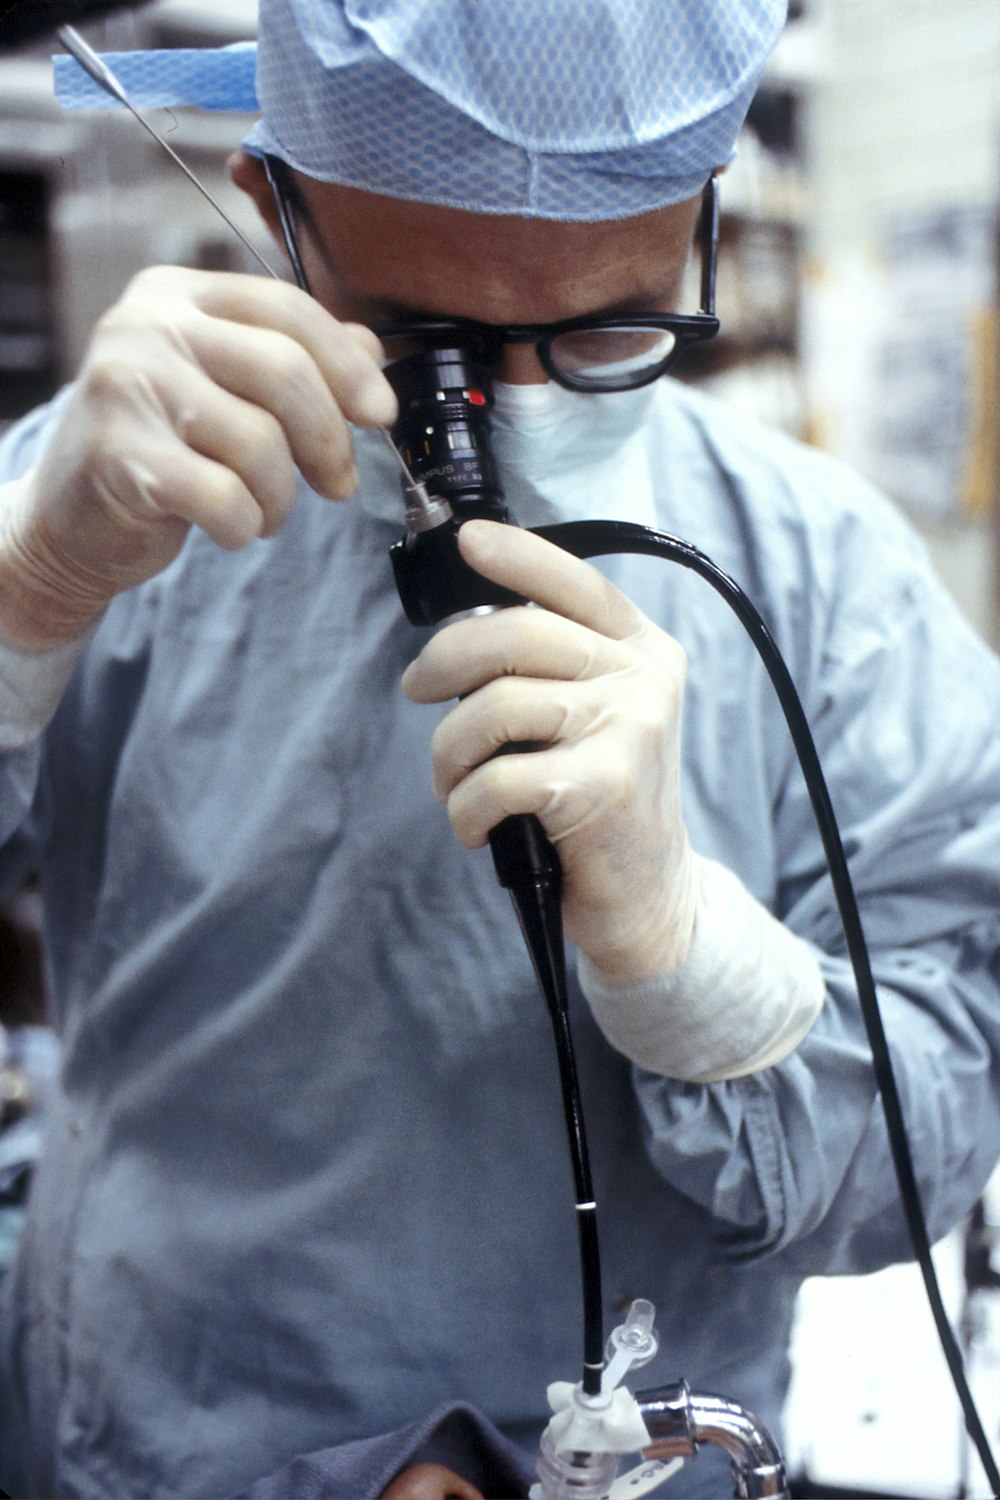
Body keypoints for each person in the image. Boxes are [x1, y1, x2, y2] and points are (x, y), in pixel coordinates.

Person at [1, 1, 999, 1495]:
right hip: (172, 1441)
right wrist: (28, 599)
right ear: (273, 208)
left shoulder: (825, 583)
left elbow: (948, 1122)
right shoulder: (103, 496)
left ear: (704, 220)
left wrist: (699, 971)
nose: (510, 427)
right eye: (427, 341)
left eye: (606, 327)